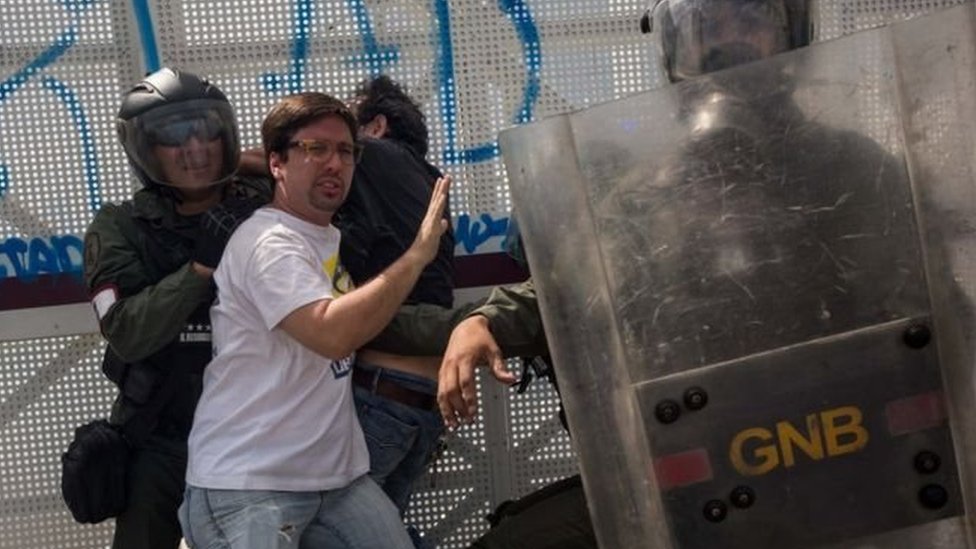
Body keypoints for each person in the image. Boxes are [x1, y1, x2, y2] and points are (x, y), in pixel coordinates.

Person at [179, 91, 450, 549]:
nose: (334, 163)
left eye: (345, 151)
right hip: (253, 486)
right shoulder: (269, 243)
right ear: (277, 164)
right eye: (315, 149)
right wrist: (417, 256)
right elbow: (332, 334)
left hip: (336, 480)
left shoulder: (325, 238)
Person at [82, 68, 270, 549]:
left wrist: (263, 166)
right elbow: (125, 329)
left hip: (258, 434)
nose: (194, 149)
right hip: (165, 435)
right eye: (172, 137)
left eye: (207, 131)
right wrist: (200, 270)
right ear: (145, 150)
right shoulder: (120, 226)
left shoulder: (267, 204)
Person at [340, 75, 455, 524]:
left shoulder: (376, 156)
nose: (333, 156)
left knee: (333, 532)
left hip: (383, 393)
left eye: (346, 131)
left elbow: (301, 152)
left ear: (377, 126)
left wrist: (230, 163)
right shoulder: (427, 182)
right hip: (425, 399)